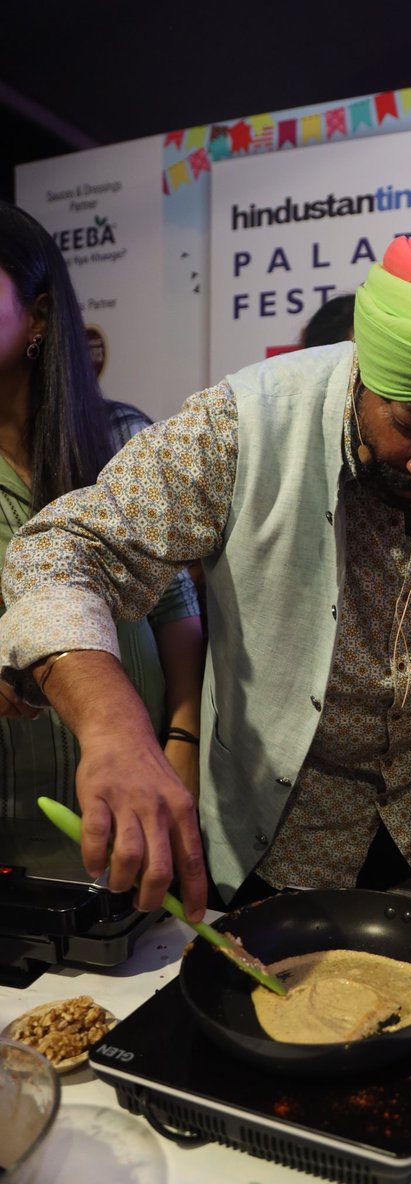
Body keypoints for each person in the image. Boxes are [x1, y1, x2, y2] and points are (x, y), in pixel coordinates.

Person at [0, 228, 411, 920]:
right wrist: (114, 729)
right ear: (369, 370)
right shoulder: (242, 423)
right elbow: (59, 549)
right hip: (272, 846)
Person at [0, 200, 204, 812]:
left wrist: (184, 739)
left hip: (144, 783)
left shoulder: (119, 436)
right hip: (17, 806)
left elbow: (175, 604)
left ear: (38, 316)